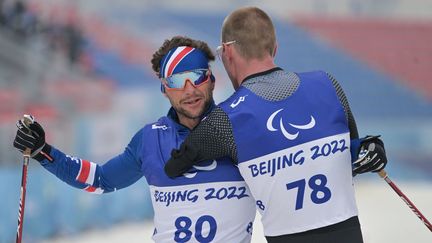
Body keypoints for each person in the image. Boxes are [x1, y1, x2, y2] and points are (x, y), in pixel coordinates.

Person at [164, 7, 388, 243]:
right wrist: (374, 148)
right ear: (275, 48)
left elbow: (174, 167)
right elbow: (353, 153)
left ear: (228, 51)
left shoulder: (224, 120)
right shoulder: (326, 84)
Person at [13, 36, 256, 243]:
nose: (189, 90)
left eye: (197, 76)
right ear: (164, 88)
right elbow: (101, 179)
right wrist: (43, 152)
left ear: (211, 79)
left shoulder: (240, 127)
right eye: (177, 81)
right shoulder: (150, 138)